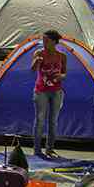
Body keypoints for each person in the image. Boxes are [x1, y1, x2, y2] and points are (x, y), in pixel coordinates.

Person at [31, 30, 67, 158]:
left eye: (46, 40)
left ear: (54, 42)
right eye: (43, 40)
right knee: (40, 119)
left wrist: (60, 77)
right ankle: (37, 150)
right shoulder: (39, 53)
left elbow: (64, 73)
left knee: (53, 121)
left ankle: (50, 149)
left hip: (56, 91)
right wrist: (37, 61)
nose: (44, 43)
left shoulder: (62, 56)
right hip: (41, 90)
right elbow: (32, 69)